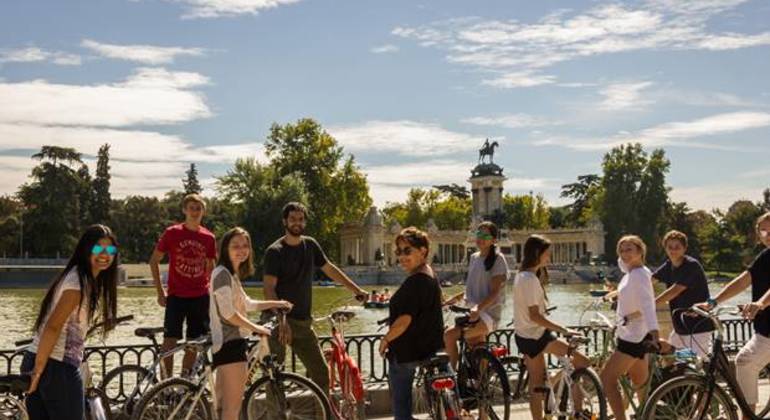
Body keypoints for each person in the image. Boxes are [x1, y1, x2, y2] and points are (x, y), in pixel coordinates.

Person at [263, 202, 368, 392]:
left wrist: (356, 290)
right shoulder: (275, 251)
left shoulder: (310, 245)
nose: (297, 223)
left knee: (321, 374)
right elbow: (269, 289)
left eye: (301, 219)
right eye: (293, 219)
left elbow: (330, 269)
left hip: (303, 322)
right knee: (275, 378)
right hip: (278, 321)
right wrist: (281, 318)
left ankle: (320, 414)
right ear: (285, 221)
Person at [21, 225, 120, 420]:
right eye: (98, 248)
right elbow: (53, 326)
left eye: (110, 250)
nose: (105, 255)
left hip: (40, 359)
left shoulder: (78, 277)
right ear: (86, 249)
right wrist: (38, 372)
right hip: (56, 367)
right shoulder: (78, 284)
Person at [209, 227, 292, 420]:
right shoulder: (222, 274)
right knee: (232, 409)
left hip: (227, 343)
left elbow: (247, 304)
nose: (241, 250)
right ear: (225, 249)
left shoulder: (231, 275)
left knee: (222, 408)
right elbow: (228, 314)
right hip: (230, 343)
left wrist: (276, 303)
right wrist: (257, 328)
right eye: (235, 245)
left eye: (245, 245)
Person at [699, 211, 770, 420]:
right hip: (765, 330)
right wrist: (714, 301)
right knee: (746, 362)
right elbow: (743, 280)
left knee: (746, 360)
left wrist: (760, 303)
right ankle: (748, 414)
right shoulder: (765, 257)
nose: (768, 234)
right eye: (763, 230)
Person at [513, 234, 589, 420]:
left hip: (526, 335)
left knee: (537, 385)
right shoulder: (530, 279)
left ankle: (559, 403)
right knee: (582, 361)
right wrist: (564, 330)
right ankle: (577, 411)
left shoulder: (521, 275)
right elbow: (535, 316)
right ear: (538, 253)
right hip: (536, 336)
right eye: (547, 253)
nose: (550, 257)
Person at [379, 227, 444, 420]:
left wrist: (386, 339)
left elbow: (404, 321)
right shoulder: (430, 274)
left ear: (423, 250)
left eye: (408, 251)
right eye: (399, 252)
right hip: (432, 348)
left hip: (408, 352)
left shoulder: (415, 281)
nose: (402, 257)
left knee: (401, 403)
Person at [149, 193, 217, 377]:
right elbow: (154, 260)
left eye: (199, 208)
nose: (195, 212)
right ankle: (165, 387)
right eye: (191, 208)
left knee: (194, 343)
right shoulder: (172, 233)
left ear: (203, 211)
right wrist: (160, 292)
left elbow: (211, 266)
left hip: (200, 296)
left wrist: (212, 291)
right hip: (176, 296)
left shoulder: (209, 238)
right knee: (169, 341)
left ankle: (185, 386)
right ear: (184, 210)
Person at [600, 235, 660, 420]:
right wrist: (612, 294)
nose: (624, 254)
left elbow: (647, 305)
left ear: (640, 251)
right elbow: (623, 267)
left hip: (633, 336)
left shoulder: (639, 274)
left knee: (606, 380)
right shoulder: (632, 272)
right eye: (621, 250)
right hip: (635, 333)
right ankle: (647, 416)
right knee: (640, 384)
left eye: (629, 250)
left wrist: (655, 332)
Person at [444, 221, 508, 368]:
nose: (480, 238)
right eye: (478, 234)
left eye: (485, 235)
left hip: (487, 315)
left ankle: (453, 379)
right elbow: (472, 287)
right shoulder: (473, 257)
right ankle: (481, 385)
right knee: (477, 351)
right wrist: (456, 298)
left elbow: (495, 292)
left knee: (449, 336)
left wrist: (478, 308)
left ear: (494, 240)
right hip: (472, 312)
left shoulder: (498, 259)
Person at [652, 230, 714, 358]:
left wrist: (650, 304)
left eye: (677, 247)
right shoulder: (669, 265)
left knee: (695, 361)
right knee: (670, 356)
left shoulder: (691, 265)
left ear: (684, 248)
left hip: (698, 325)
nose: (673, 250)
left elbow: (674, 290)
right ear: (665, 248)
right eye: (670, 247)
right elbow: (650, 281)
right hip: (680, 326)